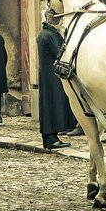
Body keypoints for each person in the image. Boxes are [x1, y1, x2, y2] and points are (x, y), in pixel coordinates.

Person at [37, 12, 73, 149]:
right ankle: (51, 137)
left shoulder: (44, 33)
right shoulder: (51, 35)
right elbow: (60, 53)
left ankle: (49, 137)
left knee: (48, 105)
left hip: (47, 74)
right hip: (53, 76)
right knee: (53, 105)